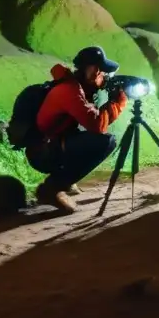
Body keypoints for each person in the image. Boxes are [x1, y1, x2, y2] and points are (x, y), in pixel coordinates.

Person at [28, 46, 128, 214]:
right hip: (43, 152)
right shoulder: (70, 91)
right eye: (101, 71)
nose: (103, 76)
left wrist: (102, 87)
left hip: (52, 143)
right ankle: (52, 188)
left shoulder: (78, 87)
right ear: (91, 69)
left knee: (87, 139)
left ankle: (65, 178)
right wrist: (118, 102)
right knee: (107, 142)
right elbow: (96, 126)